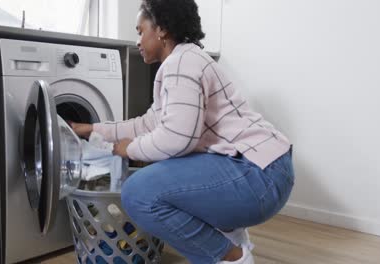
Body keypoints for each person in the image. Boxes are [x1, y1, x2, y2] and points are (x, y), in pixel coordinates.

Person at [71, 0, 294, 263]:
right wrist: (93, 129)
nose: (138, 41)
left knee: (138, 192)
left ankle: (231, 257)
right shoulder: (184, 60)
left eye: (141, 31)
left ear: (162, 29)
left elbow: (177, 138)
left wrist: (128, 148)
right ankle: (230, 238)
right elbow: (147, 124)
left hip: (258, 175)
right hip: (265, 170)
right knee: (167, 172)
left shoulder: (181, 63)